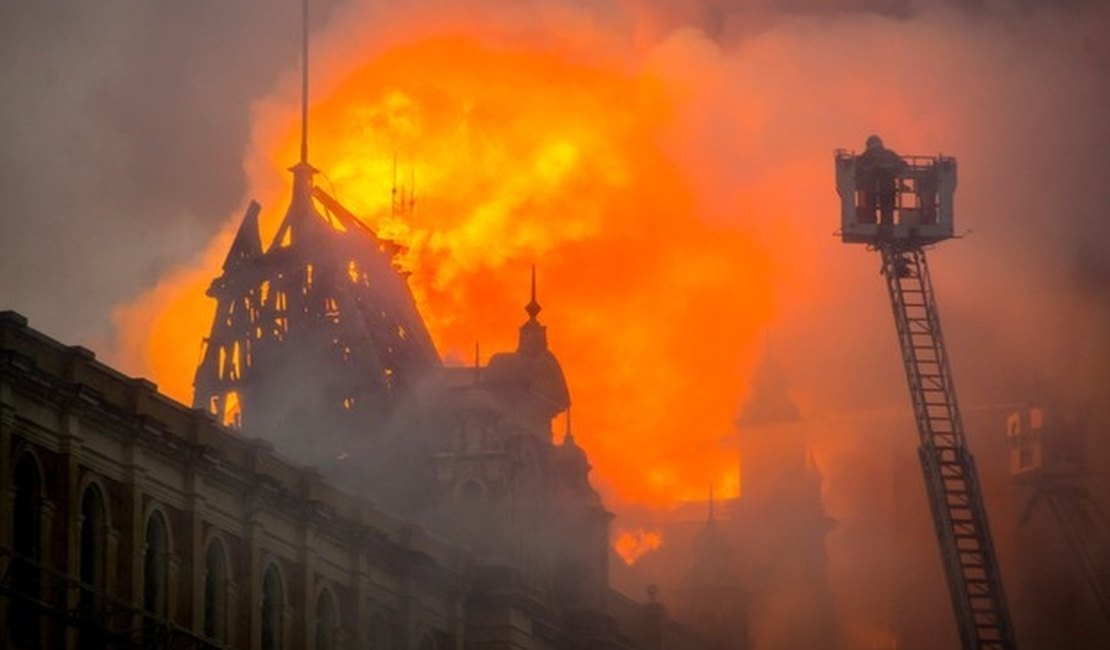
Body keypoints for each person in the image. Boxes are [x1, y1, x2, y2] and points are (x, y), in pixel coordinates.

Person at [855, 135, 908, 226]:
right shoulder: (890, 154)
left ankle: (871, 223)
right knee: (887, 212)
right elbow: (903, 166)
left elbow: (856, 167)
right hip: (887, 189)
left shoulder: (866, 156)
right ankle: (886, 225)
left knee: (870, 211)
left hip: (871, 189)